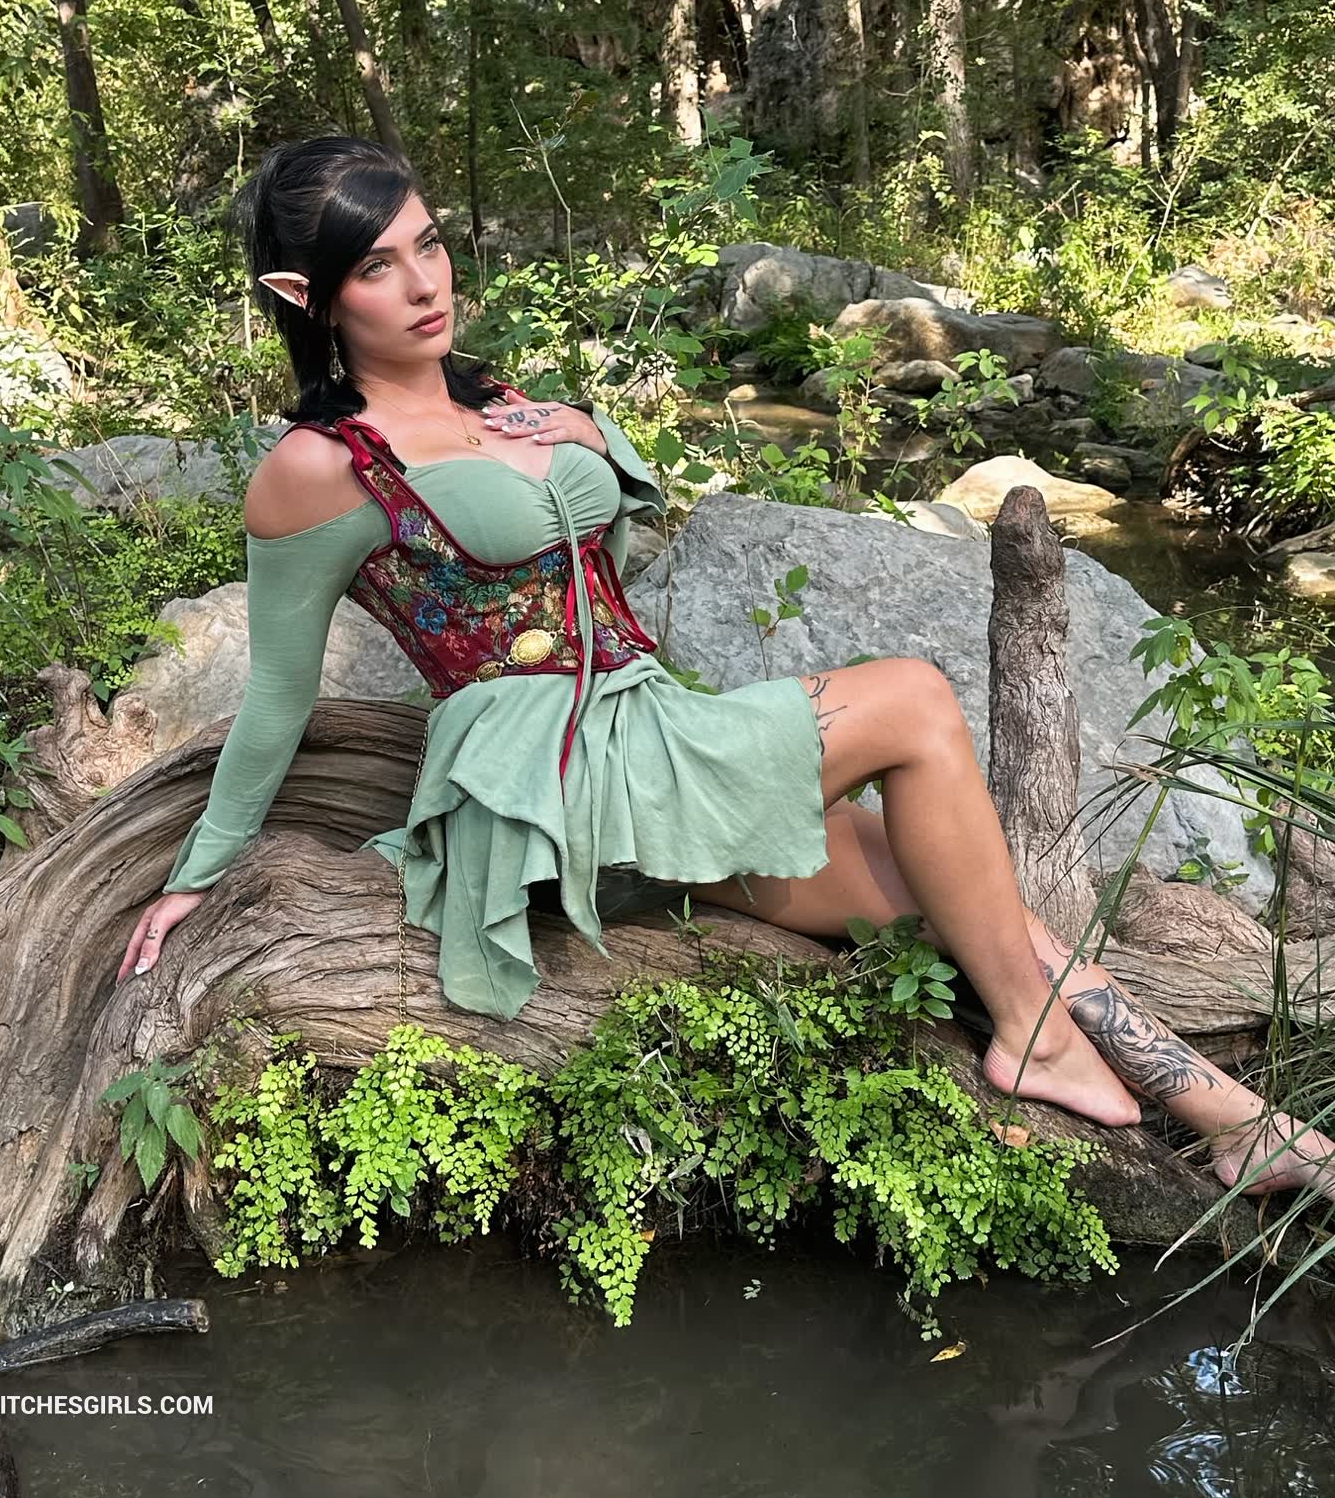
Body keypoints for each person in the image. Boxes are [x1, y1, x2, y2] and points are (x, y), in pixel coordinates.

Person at [118, 135, 1335, 1202]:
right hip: (554, 784)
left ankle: (1236, 1122)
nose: (425, 282)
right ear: (306, 295)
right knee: (913, 699)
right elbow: (276, 694)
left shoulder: (501, 401)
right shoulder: (321, 467)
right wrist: (194, 876)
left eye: (428, 244)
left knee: (956, 894)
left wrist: (589, 433)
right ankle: (1035, 1038)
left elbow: (614, 540)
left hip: (647, 740)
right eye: (377, 266)